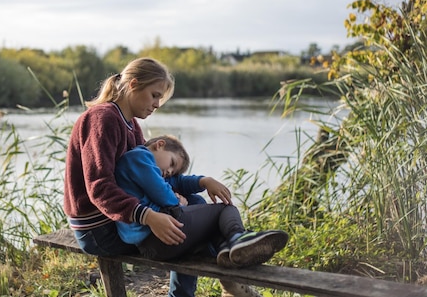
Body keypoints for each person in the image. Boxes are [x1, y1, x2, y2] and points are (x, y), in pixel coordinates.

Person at [63, 57, 200, 297]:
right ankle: (225, 266)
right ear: (134, 84)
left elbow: (145, 178)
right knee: (189, 231)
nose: (157, 104)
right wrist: (148, 216)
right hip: (99, 229)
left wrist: (194, 186)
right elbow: (99, 187)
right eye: (154, 95)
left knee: (195, 205)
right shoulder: (102, 119)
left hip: (119, 221)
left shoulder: (131, 125)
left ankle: (229, 254)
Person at [114, 135, 289, 269]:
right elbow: (162, 193)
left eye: (173, 171)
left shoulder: (155, 170)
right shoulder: (139, 157)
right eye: (172, 163)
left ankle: (225, 248)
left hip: (156, 243)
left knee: (196, 200)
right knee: (224, 209)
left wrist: (204, 181)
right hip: (157, 235)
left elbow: (179, 182)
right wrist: (177, 202)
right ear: (160, 145)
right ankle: (237, 238)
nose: (169, 171)